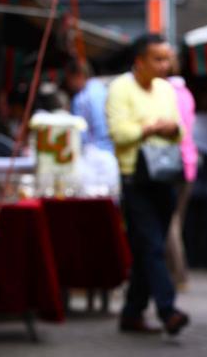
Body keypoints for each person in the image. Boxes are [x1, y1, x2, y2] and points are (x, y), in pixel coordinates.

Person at [106, 34, 189, 335]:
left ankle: (132, 312)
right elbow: (119, 133)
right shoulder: (120, 88)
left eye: (167, 58)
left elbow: (180, 132)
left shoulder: (167, 89)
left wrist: (169, 129)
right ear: (139, 61)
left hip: (164, 176)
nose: (165, 65)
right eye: (158, 58)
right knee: (152, 246)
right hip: (135, 178)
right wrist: (151, 128)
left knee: (146, 248)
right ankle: (168, 310)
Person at [165, 58, 198, 289]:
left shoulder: (165, 93)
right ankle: (175, 274)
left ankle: (177, 274)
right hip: (188, 163)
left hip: (170, 163)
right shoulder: (185, 92)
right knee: (175, 221)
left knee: (169, 222)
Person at [64, 59, 114, 153]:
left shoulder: (82, 98)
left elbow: (96, 129)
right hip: (108, 150)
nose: (69, 84)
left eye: (69, 79)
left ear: (79, 75)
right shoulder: (100, 88)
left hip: (97, 152)